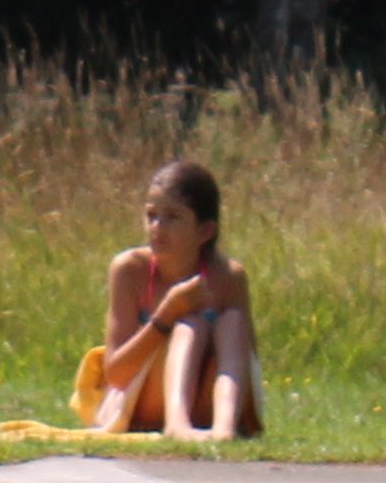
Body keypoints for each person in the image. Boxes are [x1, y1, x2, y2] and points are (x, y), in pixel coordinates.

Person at [78, 159, 261, 440]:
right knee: (190, 324)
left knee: (232, 322)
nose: (157, 227)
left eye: (172, 217)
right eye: (151, 215)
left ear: (205, 231)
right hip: (142, 403)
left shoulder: (229, 277)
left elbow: (245, 363)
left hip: (205, 402)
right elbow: (116, 374)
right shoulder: (129, 270)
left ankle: (224, 428)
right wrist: (166, 315)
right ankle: (177, 424)